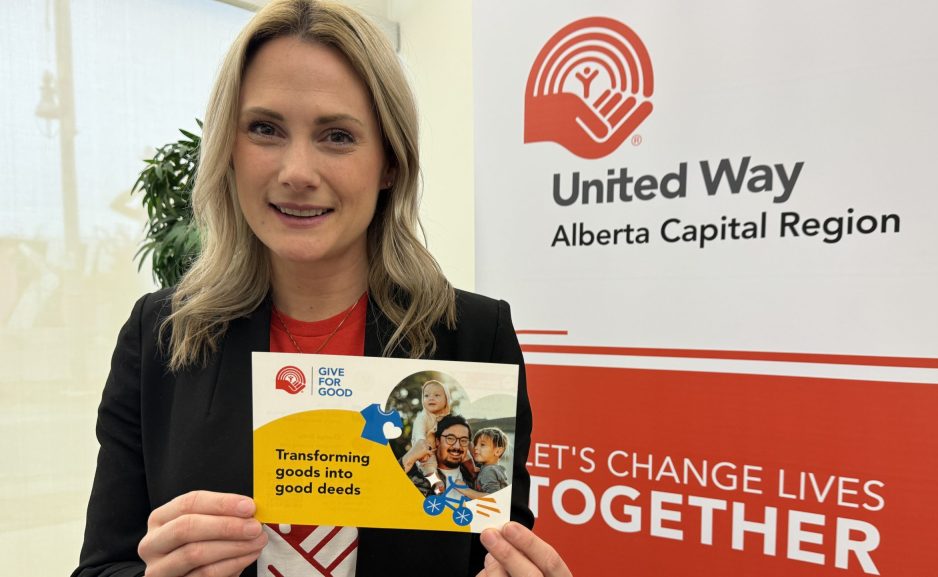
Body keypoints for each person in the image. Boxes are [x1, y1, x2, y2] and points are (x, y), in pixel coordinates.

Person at [71, 0, 572, 576]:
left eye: (337, 136)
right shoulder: (160, 337)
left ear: (390, 162)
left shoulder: (473, 337)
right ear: (228, 152)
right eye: (265, 129)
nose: (296, 172)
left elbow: (492, 550)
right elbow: (101, 566)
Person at [401, 379, 453, 479]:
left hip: (442, 452)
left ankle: (472, 469)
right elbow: (420, 436)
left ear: (446, 399)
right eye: (426, 396)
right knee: (429, 466)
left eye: (436, 395)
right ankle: (436, 485)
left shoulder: (448, 419)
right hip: (425, 453)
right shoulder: (422, 418)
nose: (431, 398)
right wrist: (423, 452)